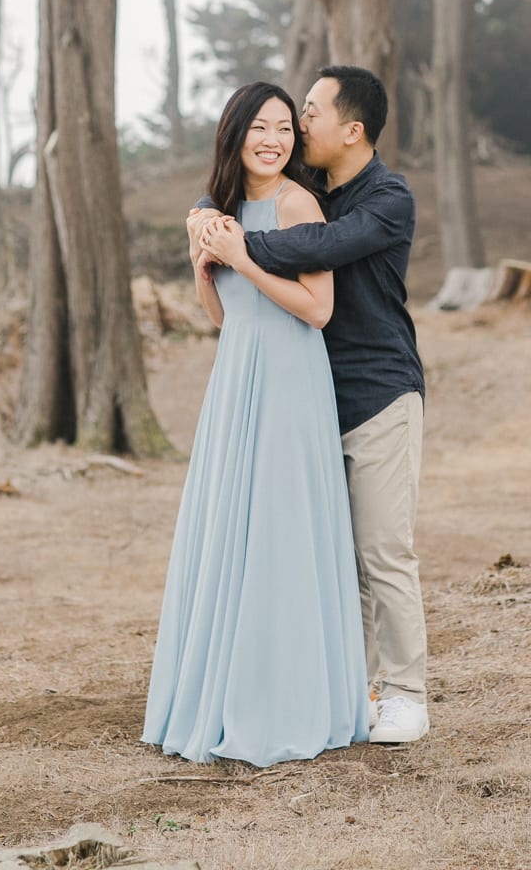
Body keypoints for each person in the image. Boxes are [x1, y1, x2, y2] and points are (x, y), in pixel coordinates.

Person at [193, 66, 429, 745]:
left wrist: (234, 245)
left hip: (381, 393)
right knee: (333, 555)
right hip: (313, 396)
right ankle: (346, 692)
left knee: (383, 550)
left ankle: (407, 694)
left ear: (352, 129)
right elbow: (244, 185)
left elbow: (325, 246)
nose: (299, 124)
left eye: (312, 111)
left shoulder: (388, 198)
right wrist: (206, 216)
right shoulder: (311, 187)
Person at [142, 81, 368, 767]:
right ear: (235, 134)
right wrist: (203, 266)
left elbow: (318, 309)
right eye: (260, 128)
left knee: (279, 531)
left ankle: (287, 702)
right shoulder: (219, 210)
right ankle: (221, 691)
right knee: (229, 532)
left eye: (284, 129)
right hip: (236, 378)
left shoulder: (299, 203)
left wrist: (243, 256)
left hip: (292, 381)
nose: (273, 140)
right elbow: (223, 317)